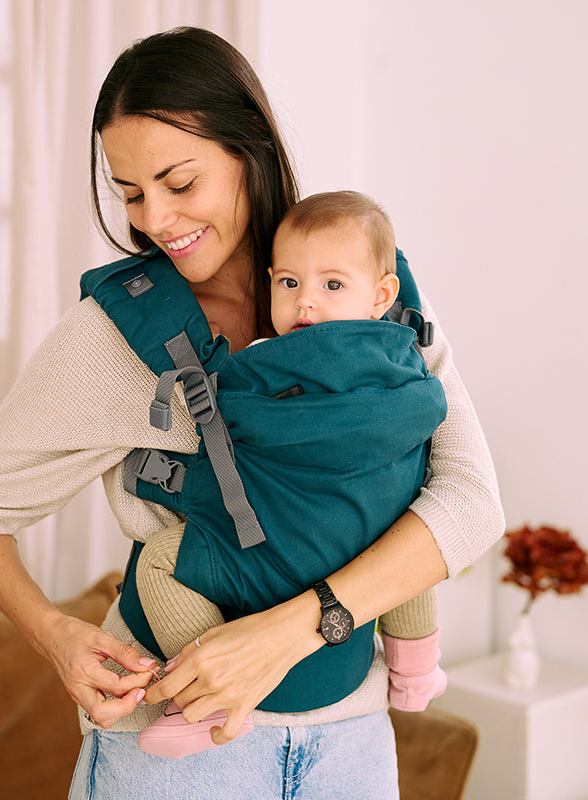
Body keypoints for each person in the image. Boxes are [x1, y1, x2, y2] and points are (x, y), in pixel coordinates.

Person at [0, 27, 505, 800]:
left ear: (251, 150)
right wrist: (57, 636)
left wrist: (294, 630)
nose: (156, 220)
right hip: (175, 753)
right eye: (131, 192)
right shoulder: (112, 338)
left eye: (178, 182)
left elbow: (470, 502)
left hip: (352, 743)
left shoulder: (366, 288)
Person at [134, 190, 448, 759]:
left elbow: (224, 425)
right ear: (271, 281)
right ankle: (417, 667)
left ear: (380, 294)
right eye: (289, 285)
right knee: (410, 537)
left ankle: (202, 701)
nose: (307, 304)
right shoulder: (412, 361)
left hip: (272, 548)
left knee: (159, 560)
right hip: (369, 548)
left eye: (332, 285)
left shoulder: (258, 360)